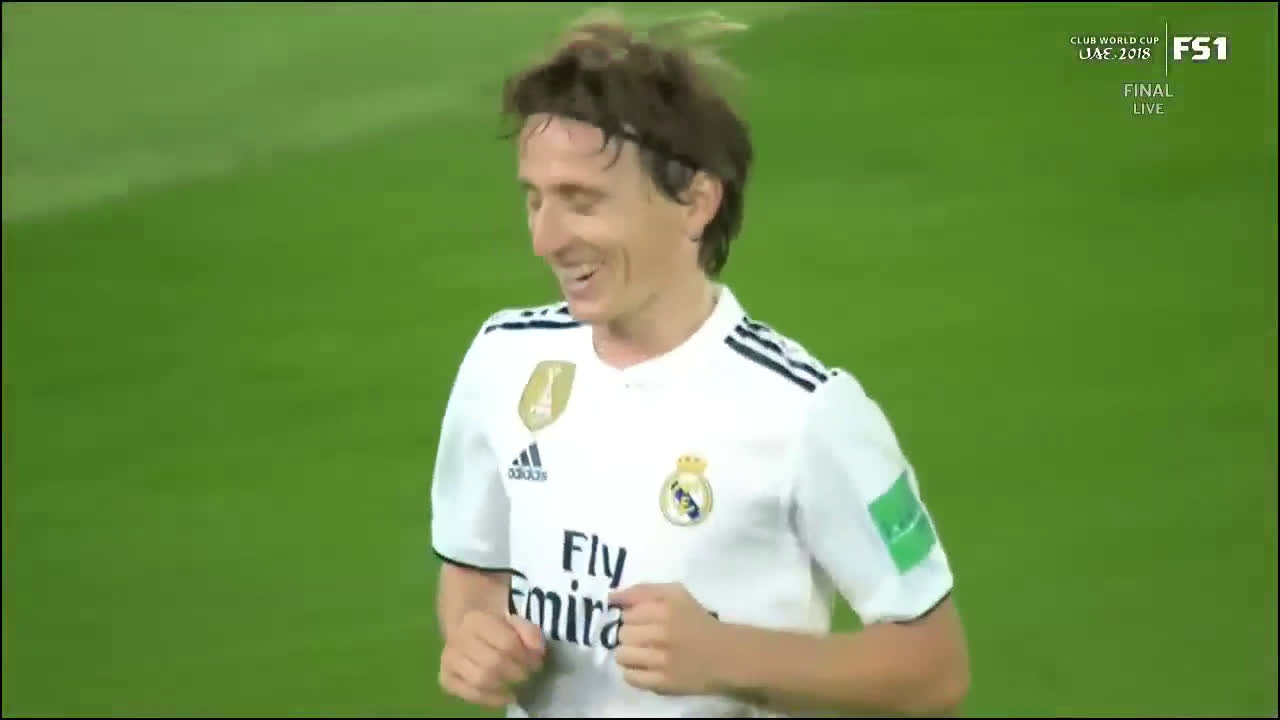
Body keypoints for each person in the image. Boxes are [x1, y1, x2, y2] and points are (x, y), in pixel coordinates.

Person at [429, 9, 970, 718]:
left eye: (581, 202)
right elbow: (471, 568)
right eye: (534, 199)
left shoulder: (807, 413)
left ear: (694, 200)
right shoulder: (503, 359)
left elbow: (934, 669)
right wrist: (474, 633)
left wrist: (724, 657)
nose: (546, 238)